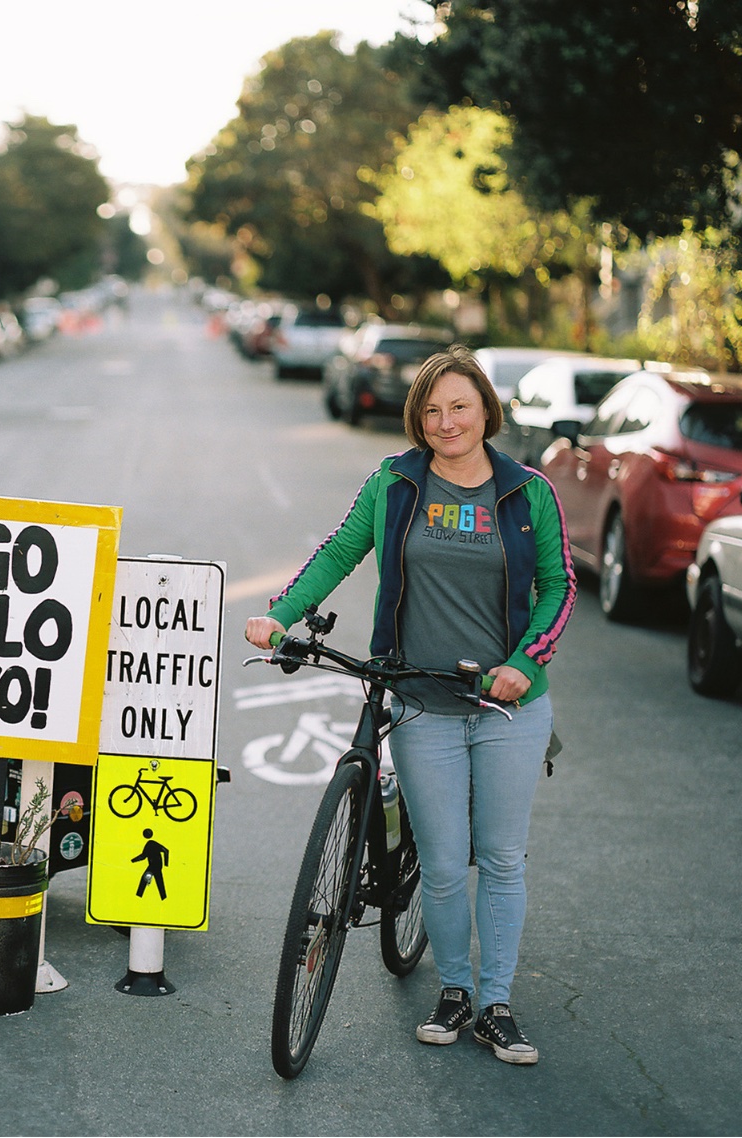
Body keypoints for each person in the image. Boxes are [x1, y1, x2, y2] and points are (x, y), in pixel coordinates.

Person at [245, 345, 575, 1065]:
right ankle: (453, 992)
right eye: (430, 410)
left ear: (486, 409)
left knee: (501, 857)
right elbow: (338, 552)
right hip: (420, 699)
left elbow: (557, 586)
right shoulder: (395, 484)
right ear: (415, 419)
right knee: (446, 863)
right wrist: (281, 613)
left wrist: (523, 664)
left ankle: (495, 1005)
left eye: (458, 406)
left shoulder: (526, 493)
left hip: (506, 708)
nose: (444, 421)